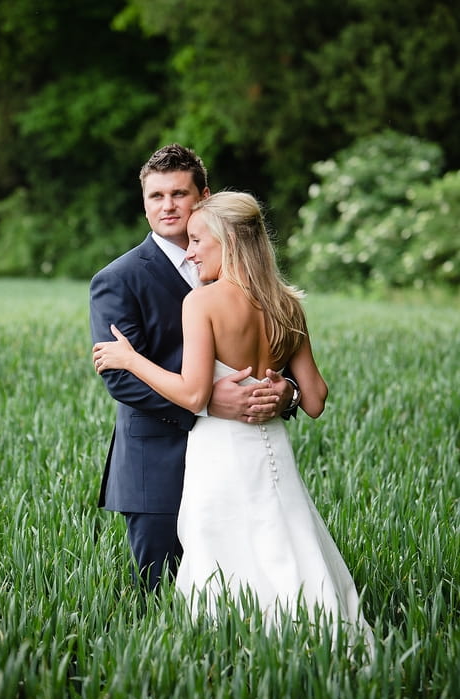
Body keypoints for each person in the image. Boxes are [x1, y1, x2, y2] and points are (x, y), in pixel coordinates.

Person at [92, 191, 374, 650]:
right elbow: (316, 399)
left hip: (221, 454)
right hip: (274, 452)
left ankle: (226, 653)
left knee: (220, 552)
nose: (190, 250)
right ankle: (310, 641)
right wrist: (289, 392)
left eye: (199, 239)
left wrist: (130, 358)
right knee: (284, 542)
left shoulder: (202, 302)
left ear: (228, 242)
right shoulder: (287, 303)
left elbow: (194, 393)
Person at [89, 145, 297, 592]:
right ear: (144, 203)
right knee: (162, 598)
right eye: (155, 196)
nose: (167, 206)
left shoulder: (245, 276)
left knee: (245, 589)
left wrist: (287, 393)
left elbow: (276, 348)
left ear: (203, 197)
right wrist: (203, 404)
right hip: (156, 465)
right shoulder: (119, 278)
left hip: (237, 461)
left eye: (178, 194)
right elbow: (119, 375)